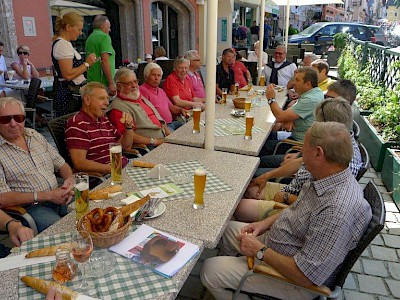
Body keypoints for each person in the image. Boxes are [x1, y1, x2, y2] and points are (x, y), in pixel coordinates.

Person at [201, 122, 372, 299]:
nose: (301, 154)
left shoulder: (337, 210)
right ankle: (236, 273)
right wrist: (263, 223)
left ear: (318, 153)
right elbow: (297, 209)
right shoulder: (326, 177)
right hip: (277, 245)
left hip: (294, 281)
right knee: (223, 231)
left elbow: (306, 276)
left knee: (209, 270)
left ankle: (238, 282)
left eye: (304, 148)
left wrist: (260, 251)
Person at [235, 98, 363, 222]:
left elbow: (314, 206)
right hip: (293, 190)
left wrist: (286, 197)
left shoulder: (344, 163)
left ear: (328, 125)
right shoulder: (335, 144)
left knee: (238, 207)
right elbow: (302, 163)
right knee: (248, 188)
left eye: (316, 121)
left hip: (295, 208)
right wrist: (267, 176)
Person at [0, 97, 74, 233]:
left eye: (18, 118)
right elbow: (2, 198)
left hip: (59, 195)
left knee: (92, 213)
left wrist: (69, 180)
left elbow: (62, 165)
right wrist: (48, 195)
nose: (13, 124)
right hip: (29, 208)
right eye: (5, 119)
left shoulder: (34, 135)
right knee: (65, 232)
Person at [65, 82, 134, 175]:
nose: (107, 102)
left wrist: (128, 127)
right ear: (87, 100)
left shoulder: (103, 119)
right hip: (106, 175)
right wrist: (113, 168)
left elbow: (125, 146)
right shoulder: (77, 123)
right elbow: (79, 163)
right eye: (102, 98)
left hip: (123, 165)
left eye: (107, 99)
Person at [261, 67, 324, 156]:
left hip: (299, 146)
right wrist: (290, 119)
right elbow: (287, 115)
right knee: (266, 137)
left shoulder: (311, 99)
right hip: (296, 136)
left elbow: (280, 117)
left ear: (307, 84)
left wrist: (271, 98)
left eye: (297, 80)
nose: (294, 83)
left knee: (262, 150)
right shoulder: (314, 92)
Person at [108, 68, 169, 147]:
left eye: (135, 81)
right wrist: (155, 141)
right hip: (150, 146)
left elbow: (158, 120)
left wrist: (171, 137)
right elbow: (128, 136)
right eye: (129, 83)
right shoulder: (117, 108)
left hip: (164, 138)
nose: (134, 85)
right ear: (119, 86)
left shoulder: (139, 97)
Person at [51, 12, 96, 117]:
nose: (80, 33)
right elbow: (68, 75)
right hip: (69, 95)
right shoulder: (62, 45)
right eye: (79, 29)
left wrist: (87, 64)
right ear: (68, 27)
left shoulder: (66, 44)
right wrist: (87, 64)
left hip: (71, 93)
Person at [140, 63, 186, 131]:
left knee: (189, 128)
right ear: (146, 76)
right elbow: (146, 115)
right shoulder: (142, 90)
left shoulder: (161, 91)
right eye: (153, 75)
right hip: (161, 128)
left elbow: (171, 107)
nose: (156, 78)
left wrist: (181, 110)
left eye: (159, 75)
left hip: (171, 123)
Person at [85, 15, 116, 96]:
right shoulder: (104, 37)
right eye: (108, 27)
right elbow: (105, 61)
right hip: (103, 82)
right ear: (102, 27)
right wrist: (111, 83)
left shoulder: (90, 38)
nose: (110, 30)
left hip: (92, 80)